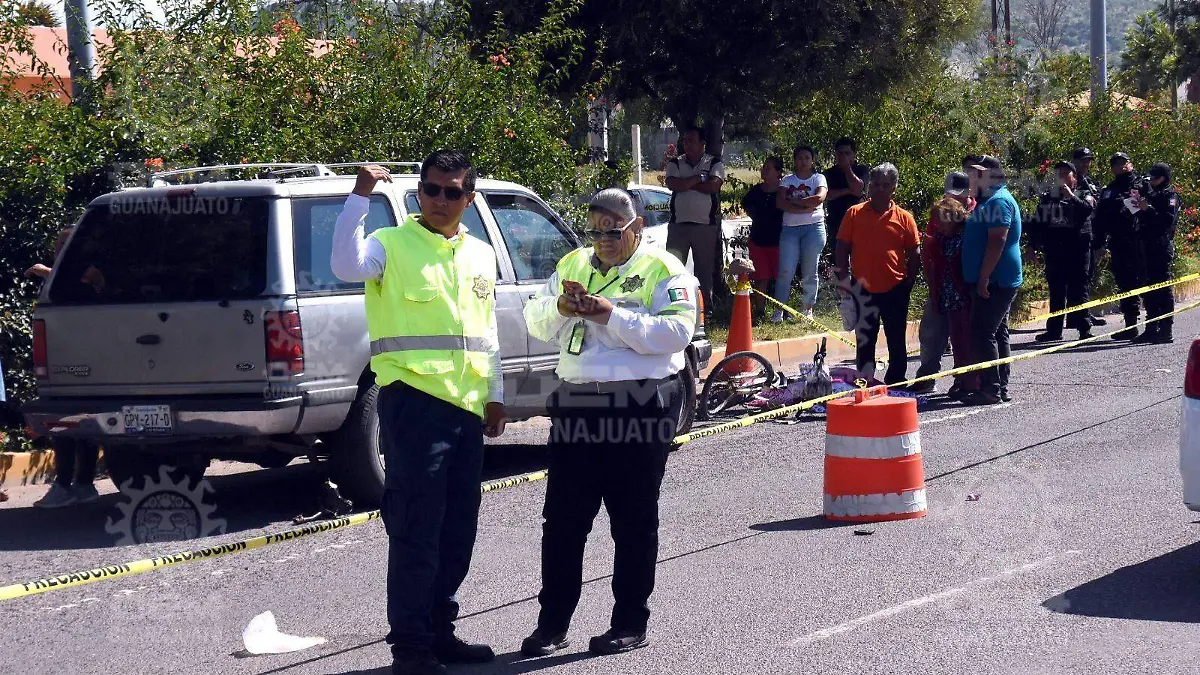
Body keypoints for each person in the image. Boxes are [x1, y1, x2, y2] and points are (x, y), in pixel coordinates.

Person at [330, 152, 507, 675]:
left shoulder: (479, 253)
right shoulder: (389, 244)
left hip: (467, 408)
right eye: (432, 190)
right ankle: (410, 647)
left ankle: (439, 631)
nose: (440, 200)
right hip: (413, 404)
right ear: (419, 193)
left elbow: (486, 330)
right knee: (416, 529)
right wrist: (359, 196)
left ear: (469, 200)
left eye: (453, 192)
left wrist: (494, 392)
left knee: (458, 529)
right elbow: (344, 264)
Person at [519, 189, 698, 658]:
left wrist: (611, 315)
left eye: (613, 231)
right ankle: (552, 624)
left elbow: (676, 333)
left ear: (636, 227)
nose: (603, 240)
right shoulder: (574, 263)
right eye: (595, 230)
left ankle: (629, 622)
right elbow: (533, 318)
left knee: (633, 519)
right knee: (562, 523)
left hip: (640, 403)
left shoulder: (665, 269)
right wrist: (560, 307)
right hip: (578, 405)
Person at [26, 226, 103, 509]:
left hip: (84, 357)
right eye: (58, 241)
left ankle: (77, 484)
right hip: (60, 354)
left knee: (78, 422)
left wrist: (48, 272)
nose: (60, 246)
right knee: (65, 422)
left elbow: (88, 288)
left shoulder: (86, 271)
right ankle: (69, 484)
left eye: (66, 242)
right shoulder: (56, 276)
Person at [834, 162, 920, 385]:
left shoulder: (904, 217)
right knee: (865, 339)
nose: (880, 189)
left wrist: (908, 282)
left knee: (896, 339)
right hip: (862, 288)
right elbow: (842, 248)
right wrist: (843, 279)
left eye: (886, 185)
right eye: (876, 185)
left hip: (895, 288)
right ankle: (865, 380)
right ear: (869, 187)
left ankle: (896, 380)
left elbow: (915, 252)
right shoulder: (854, 213)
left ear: (893, 188)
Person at [962, 155, 1023, 405]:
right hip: (994, 278)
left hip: (997, 279)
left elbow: (997, 241)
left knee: (983, 331)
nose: (970, 177)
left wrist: (984, 277)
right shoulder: (989, 200)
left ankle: (991, 388)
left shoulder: (998, 201)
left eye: (975, 173)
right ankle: (999, 385)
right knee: (997, 332)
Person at [911, 170, 976, 393]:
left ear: (968, 193)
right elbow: (928, 250)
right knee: (930, 332)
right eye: (949, 194)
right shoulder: (939, 213)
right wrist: (931, 283)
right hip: (941, 285)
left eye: (957, 195)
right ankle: (927, 377)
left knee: (963, 338)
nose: (952, 200)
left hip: (964, 290)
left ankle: (965, 380)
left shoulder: (976, 215)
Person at [1026, 160, 1096, 343]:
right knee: (1056, 291)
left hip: (1078, 250)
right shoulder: (1049, 197)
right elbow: (1037, 223)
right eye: (1059, 173)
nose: (1062, 177)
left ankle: (1084, 328)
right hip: (1056, 250)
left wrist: (1071, 196)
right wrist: (1032, 245)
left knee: (1079, 290)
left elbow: (1087, 210)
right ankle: (1054, 331)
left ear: (1074, 176)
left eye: (1066, 173)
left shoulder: (1084, 193)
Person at [665, 126, 724, 315]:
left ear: (702, 144)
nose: (687, 144)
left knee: (704, 272)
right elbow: (674, 184)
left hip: (704, 227)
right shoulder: (675, 162)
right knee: (673, 269)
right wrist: (699, 178)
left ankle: (705, 310)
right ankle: (673, 307)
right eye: (685, 141)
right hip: (678, 226)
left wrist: (687, 184)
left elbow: (713, 186)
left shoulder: (714, 162)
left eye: (691, 141)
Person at [773, 145, 828, 323]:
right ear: (794, 160)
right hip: (790, 230)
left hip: (814, 229)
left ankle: (807, 309)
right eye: (799, 158)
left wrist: (795, 201)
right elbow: (781, 202)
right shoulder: (787, 180)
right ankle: (779, 311)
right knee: (785, 271)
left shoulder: (819, 178)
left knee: (810, 271)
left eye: (806, 157)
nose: (803, 161)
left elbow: (819, 198)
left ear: (812, 160)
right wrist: (806, 205)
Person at [1094, 152, 1147, 341]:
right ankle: (1131, 325)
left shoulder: (1142, 185)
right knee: (1125, 283)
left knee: (1146, 282)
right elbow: (1100, 220)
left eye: (1123, 162)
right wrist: (1099, 244)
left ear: (1130, 163)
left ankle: (1155, 324)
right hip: (1119, 243)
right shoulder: (1109, 190)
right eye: (1116, 163)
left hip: (1141, 241)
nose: (1121, 166)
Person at [1131, 162, 1180, 344]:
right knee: (1148, 287)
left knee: (1162, 287)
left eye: (1155, 177)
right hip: (1146, 245)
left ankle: (1166, 328)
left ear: (1164, 178)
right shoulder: (1151, 194)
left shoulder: (1170, 196)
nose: (1152, 181)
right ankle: (1152, 327)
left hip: (1161, 246)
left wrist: (1148, 209)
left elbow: (1167, 221)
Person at [740, 157, 785, 319]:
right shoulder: (755, 192)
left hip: (780, 241)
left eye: (768, 168)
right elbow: (747, 205)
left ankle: (781, 311)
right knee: (761, 277)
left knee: (782, 277)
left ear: (779, 172)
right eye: (763, 167)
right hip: (758, 241)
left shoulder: (784, 191)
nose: (764, 170)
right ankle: (759, 311)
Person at [1072, 147, 1108, 327]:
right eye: (1083, 160)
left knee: (1087, 277)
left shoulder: (1088, 181)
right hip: (1073, 236)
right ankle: (1078, 316)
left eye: (1088, 160)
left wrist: (1100, 240)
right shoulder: (1068, 182)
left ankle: (1082, 314)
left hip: (1089, 235)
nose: (1086, 164)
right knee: (1077, 278)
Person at [822, 136, 868, 254]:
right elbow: (827, 195)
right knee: (838, 260)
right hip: (836, 223)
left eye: (847, 153)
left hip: (859, 222)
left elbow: (858, 189)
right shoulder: (828, 173)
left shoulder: (862, 170)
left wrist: (847, 168)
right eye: (840, 153)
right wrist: (848, 191)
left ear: (854, 154)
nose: (843, 156)